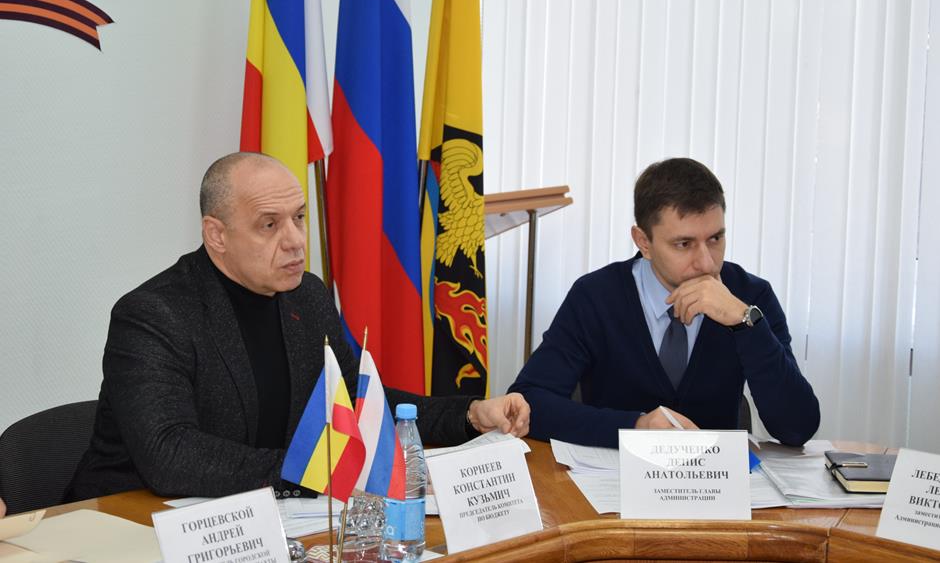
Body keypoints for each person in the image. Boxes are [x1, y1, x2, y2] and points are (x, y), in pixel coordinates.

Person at [67, 152, 528, 501]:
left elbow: (358, 404)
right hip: (129, 522)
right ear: (217, 235)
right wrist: (314, 473)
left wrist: (469, 415)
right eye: (269, 225)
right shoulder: (153, 315)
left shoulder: (306, 296)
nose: (294, 241)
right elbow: (171, 454)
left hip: (261, 514)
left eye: (299, 218)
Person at [509, 158, 819, 448]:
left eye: (715, 239)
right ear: (643, 242)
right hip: (613, 480)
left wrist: (744, 322)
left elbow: (797, 428)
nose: (706, 263)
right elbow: (529, 402)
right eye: (684, 244)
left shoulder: (751, 297)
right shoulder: (596, 296)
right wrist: (635, 426)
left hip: (716, 482)